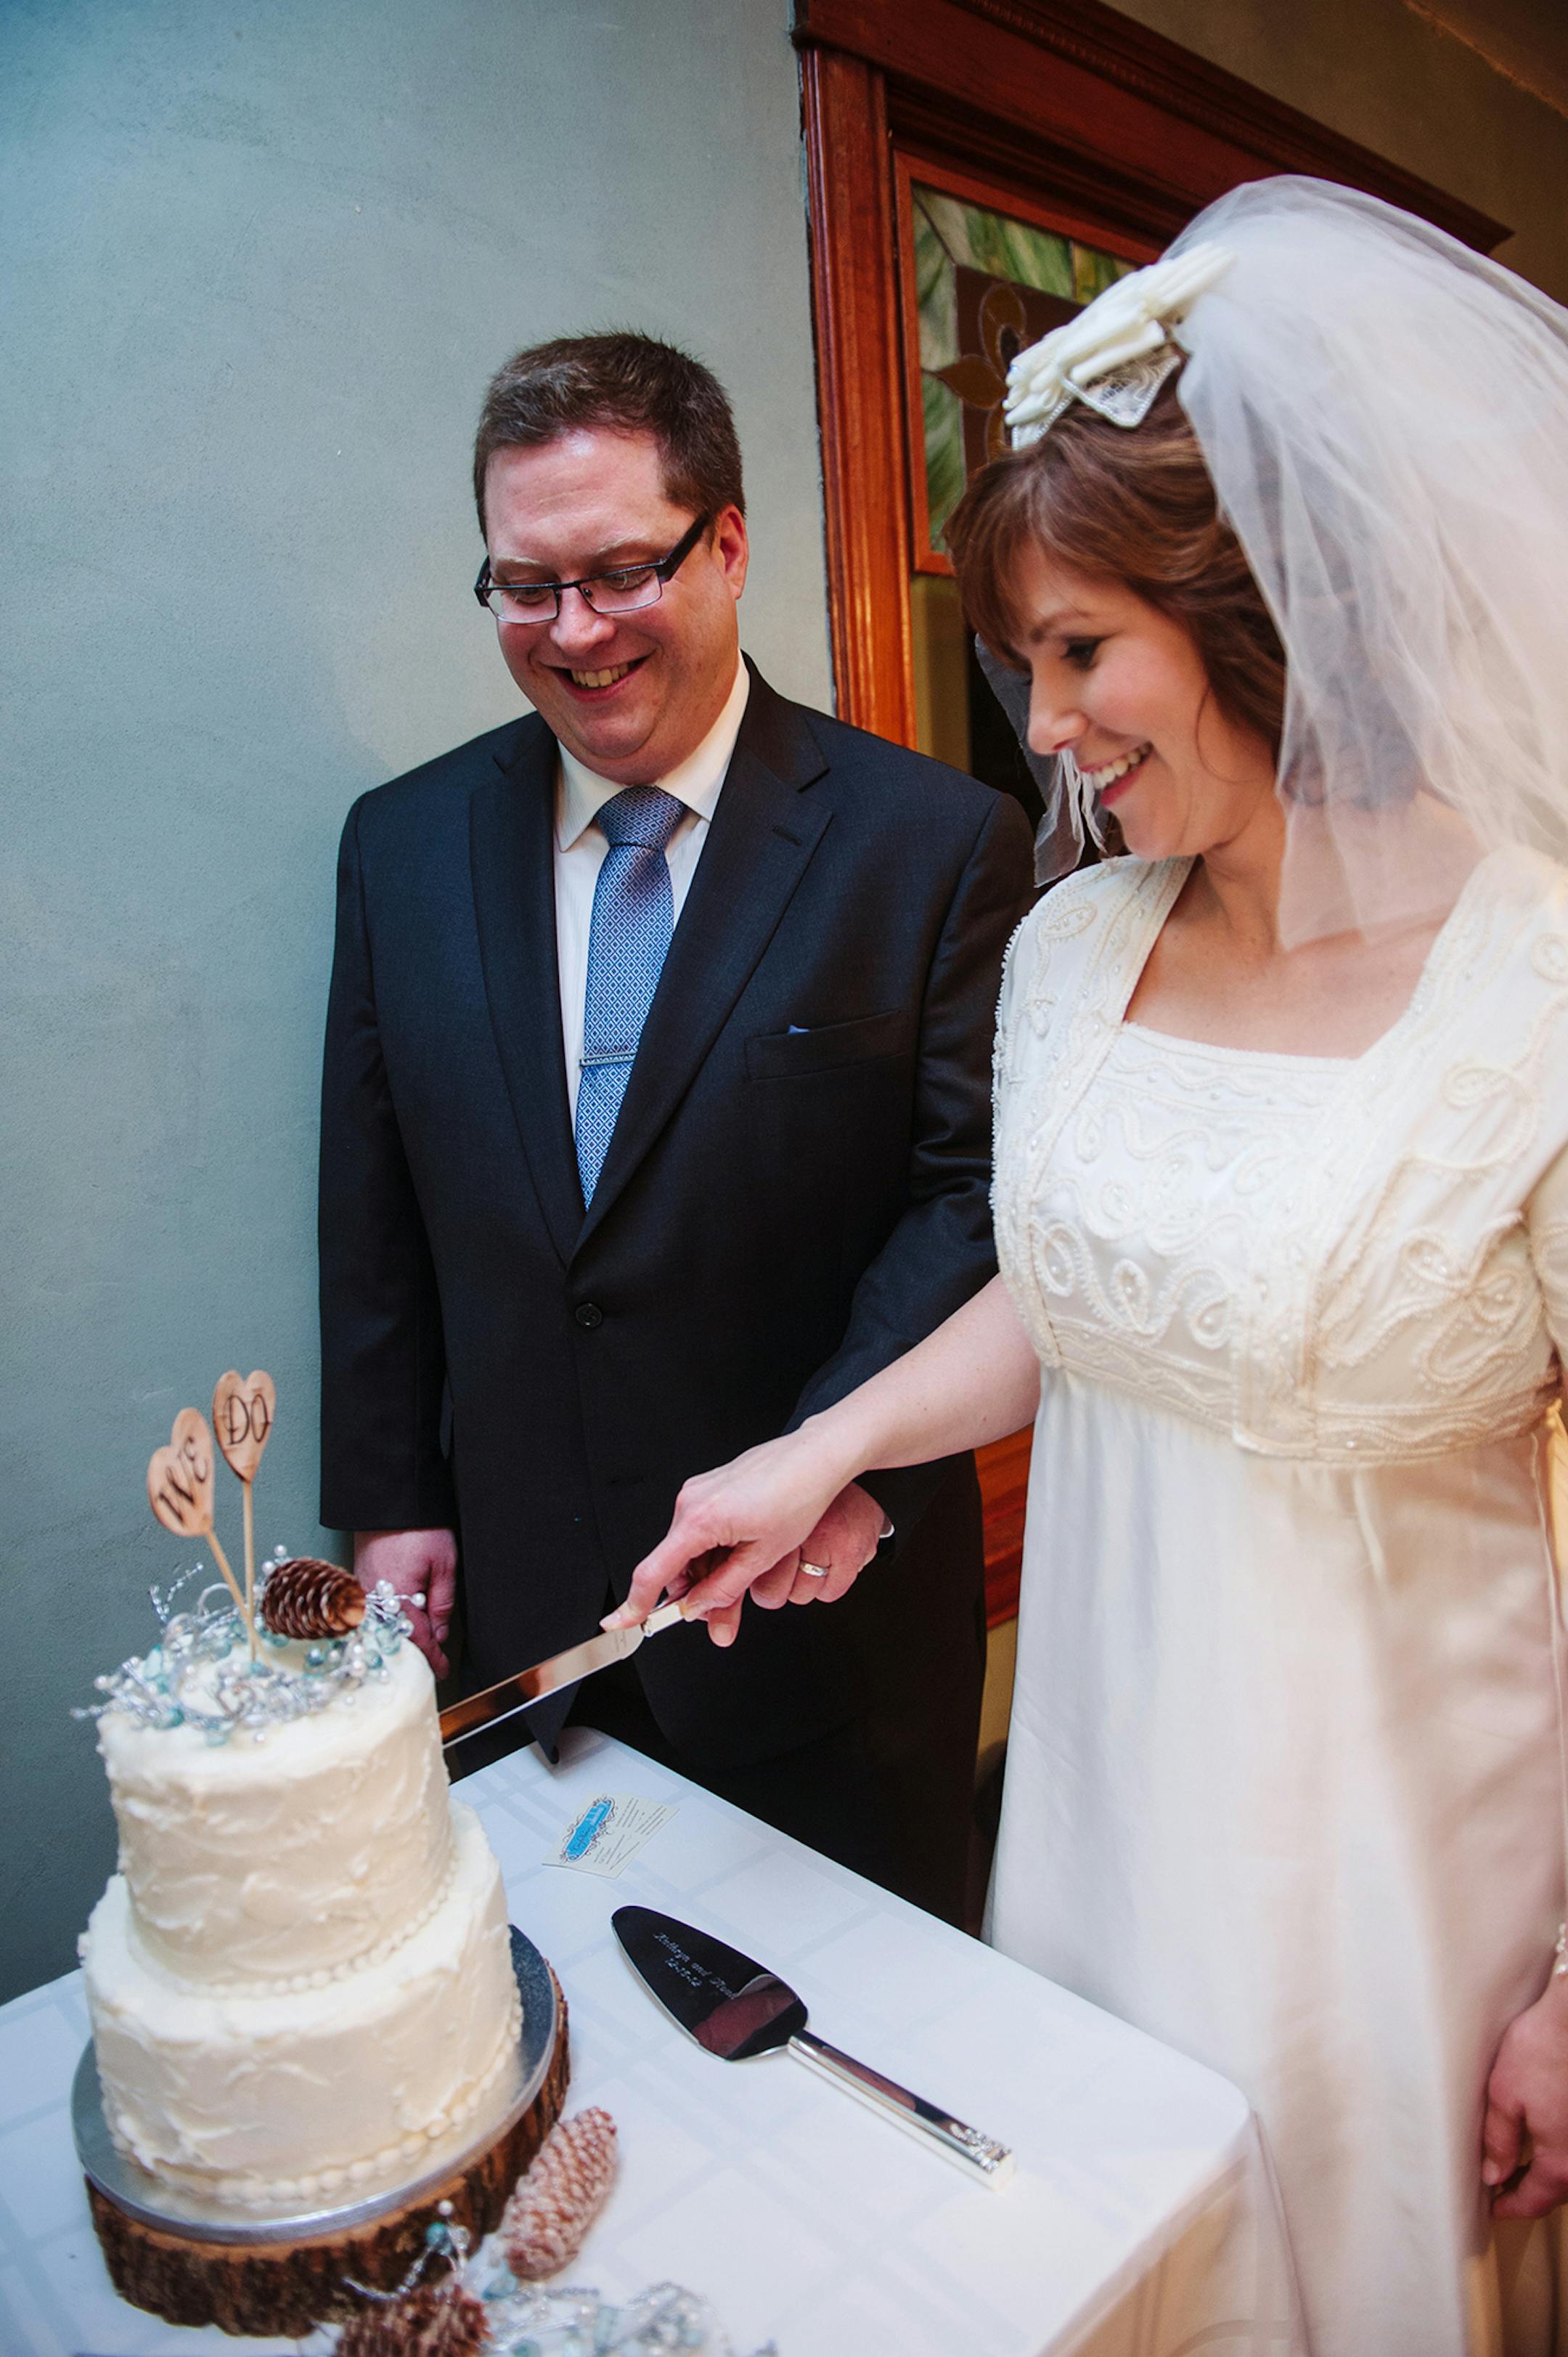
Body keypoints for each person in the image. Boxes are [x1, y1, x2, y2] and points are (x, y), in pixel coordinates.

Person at [611, 182, 1568, 2353]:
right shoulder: (1072, 950)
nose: (1038, 724)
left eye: (1080, 651)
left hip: (1415, 1871)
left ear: (1275, 619)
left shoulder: (1541, 977)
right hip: (1101, 1802)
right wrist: (826, 1443)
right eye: (1015, 661)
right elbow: (1081, 1289)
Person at [317, 332, 1034, 1924]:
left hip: (821, 1631)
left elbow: (969, 1199)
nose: (572, 633)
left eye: (619, 571)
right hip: (516, 1637)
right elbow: (374, 1197)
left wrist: (843, 1463)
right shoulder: (403, 846)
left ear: (728, 543)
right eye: (523, 587)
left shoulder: (932, 844)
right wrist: (392, 1498)